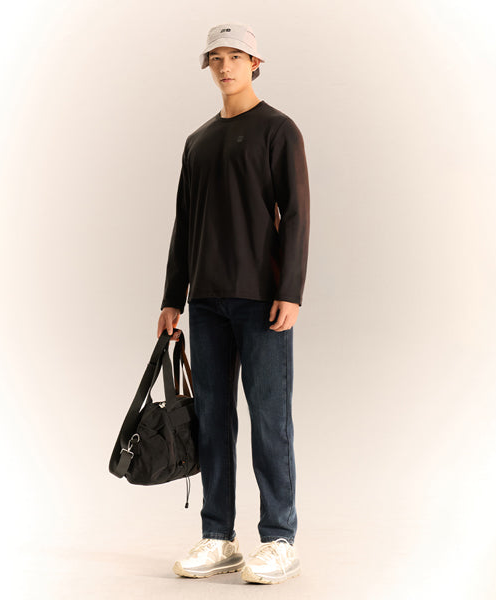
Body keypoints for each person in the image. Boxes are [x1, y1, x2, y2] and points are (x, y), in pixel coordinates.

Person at [156, 22, 310, 585]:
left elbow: (297, 213)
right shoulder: (197, 141)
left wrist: (290, 290)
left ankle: (279, 539)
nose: (224, 67)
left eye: (235, 57)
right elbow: (184, 223)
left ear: (255, 63)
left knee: (270, 418)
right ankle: (218, 535)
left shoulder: (278, 130)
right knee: (213, 422)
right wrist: (173, 298)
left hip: (263, 301)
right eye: (216, 58)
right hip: (207, 302)